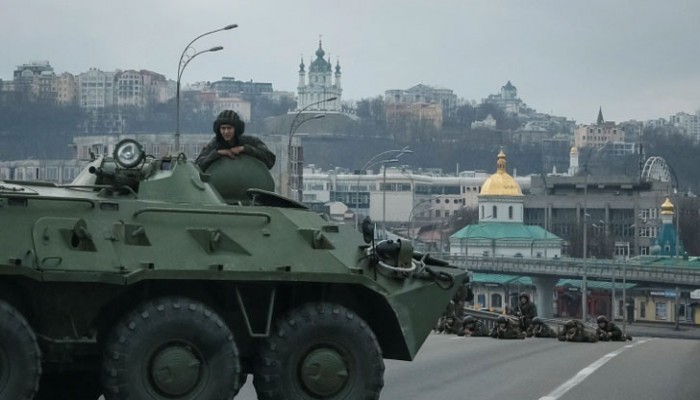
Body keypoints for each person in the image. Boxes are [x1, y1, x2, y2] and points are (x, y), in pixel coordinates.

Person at [195, 110, 276, 172]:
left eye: (229, 128)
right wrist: (217, 153)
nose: (226, 132)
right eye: (223, 128)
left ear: (236, 129)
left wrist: (245, 149)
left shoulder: (250, 141)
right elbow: (197, 166)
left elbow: (270, 160)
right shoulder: (214, 144)